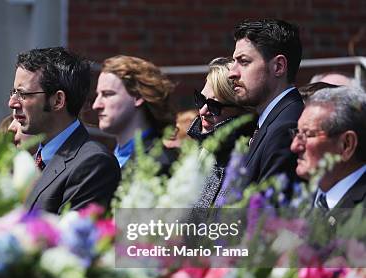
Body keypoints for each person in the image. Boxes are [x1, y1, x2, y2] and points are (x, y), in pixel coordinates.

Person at [8, 47, 120, 214]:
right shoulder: (29, 162)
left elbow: (69, 237)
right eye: (13, 92)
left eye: (23, 94)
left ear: (58, 100)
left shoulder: (93, 164)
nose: (12, 103)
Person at [228, 19, 304, 185]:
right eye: (234, 61)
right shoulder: (271, 121)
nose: (231, 73)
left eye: (244, 61)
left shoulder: (285, 128)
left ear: (278, 66)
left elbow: (268, 208)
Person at [187, 57, 255, 208]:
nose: (203, 111)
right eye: (200, 99)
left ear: (240, 110)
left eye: (214, 105)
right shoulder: (196, 151)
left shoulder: (244, 160)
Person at [92, 55, 177, 174]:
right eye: (98, 95)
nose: (96, 105)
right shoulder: (107, 160)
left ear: (137, 97)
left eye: (107, 94)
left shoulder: (159, 164)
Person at [290, 86, 366, 211]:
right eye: (296, 133)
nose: (294, 146)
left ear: (346, 144)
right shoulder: (301, 203)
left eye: (307, 135)